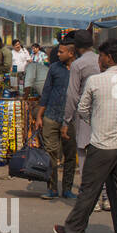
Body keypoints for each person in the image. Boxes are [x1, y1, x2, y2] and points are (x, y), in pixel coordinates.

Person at [53, 39, 117, 233]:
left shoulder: (96, 81)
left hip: (102, 143)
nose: (99, 60)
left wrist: (97, 121)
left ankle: (75, 230)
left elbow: (82, 109)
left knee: (89, 190)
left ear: (109, 58)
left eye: (101, 56)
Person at [62, 29, 103, 210]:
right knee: (104, 157)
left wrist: (66, 120)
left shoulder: (78, 65)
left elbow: (72, 95)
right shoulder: (102, 60)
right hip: (104, 114)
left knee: (85, 158)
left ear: (76, 47)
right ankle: (106, 197)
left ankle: (91, 200)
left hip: (84, 115)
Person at [35, 39, 76, 199]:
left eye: (61, 52)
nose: (57, 54)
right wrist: (39, 115)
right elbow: (46, 92)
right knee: (50, 154)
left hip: (71, 119)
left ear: (71, 53)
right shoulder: (54, 68)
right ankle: (52, 188)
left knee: (70, 155)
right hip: (51, 116)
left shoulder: (78, 69)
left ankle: (67, 189)